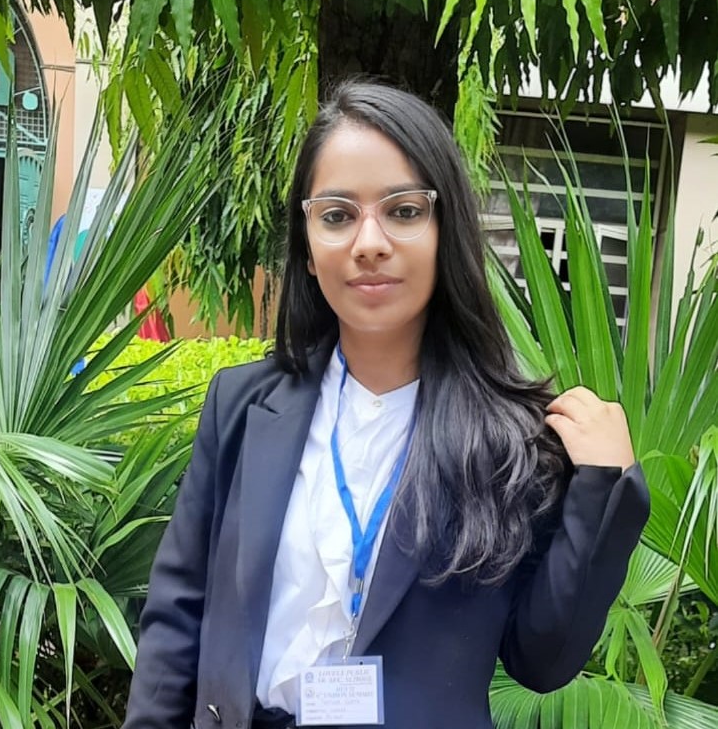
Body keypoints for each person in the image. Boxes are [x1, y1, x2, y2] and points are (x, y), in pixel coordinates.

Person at [122, 82, 650, 729]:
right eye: (337, 216)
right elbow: (177, 615)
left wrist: (606, 488)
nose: (368, 242)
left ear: (445, 230)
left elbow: (542, 659)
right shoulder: (242, 408)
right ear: (308, 248)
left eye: (403, 211)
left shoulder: (512, 441)